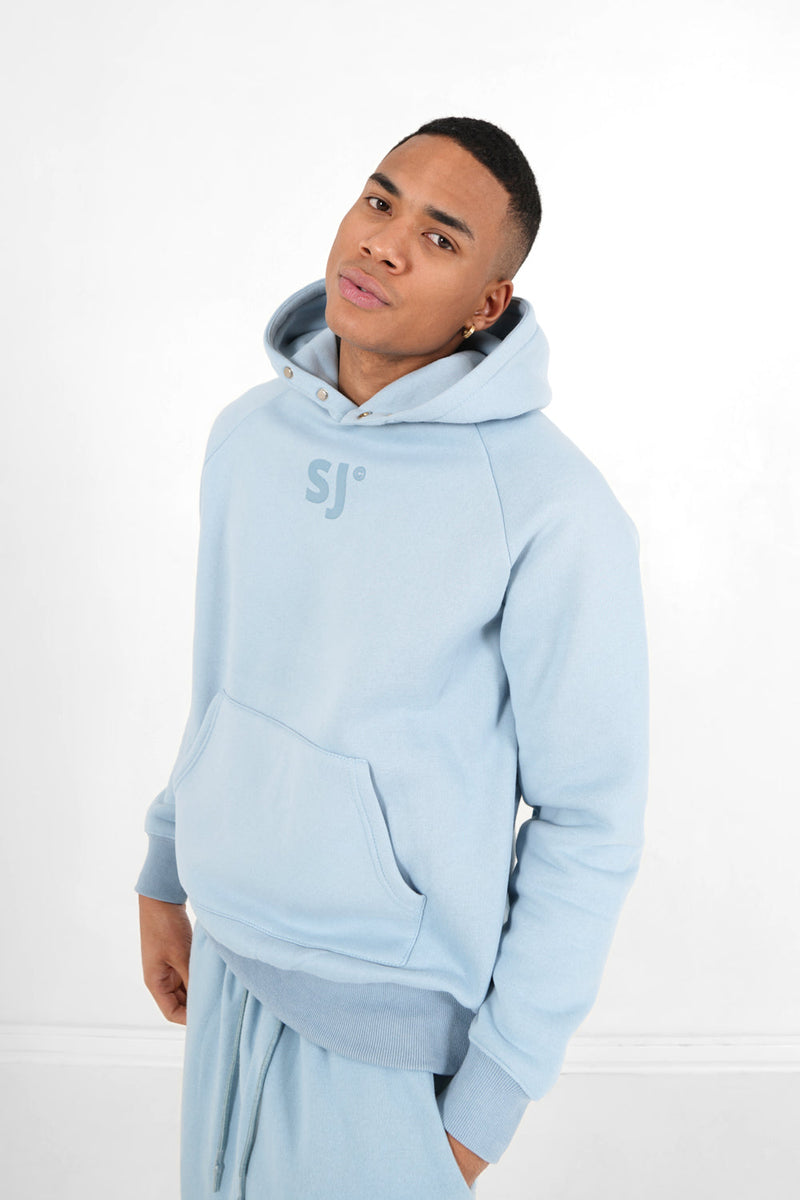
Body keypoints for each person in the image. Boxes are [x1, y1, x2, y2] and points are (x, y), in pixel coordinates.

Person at [135, 115, 650, 1199]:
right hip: (227, 961)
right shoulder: (248, 437)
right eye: (379, 201)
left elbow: (588, 818)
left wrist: (491, 1097)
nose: (383, 243)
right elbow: (222, 679)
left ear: (486, 304)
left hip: (387, 1037)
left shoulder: (551, 508)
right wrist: (166, 871)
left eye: (439, 236)